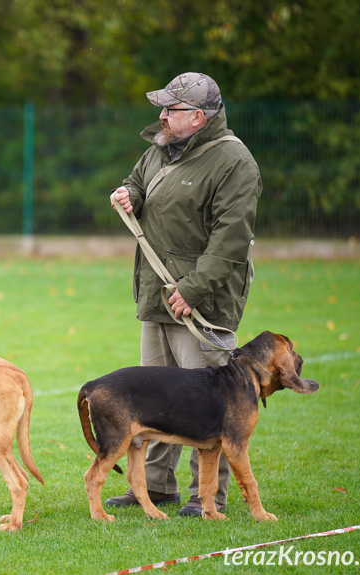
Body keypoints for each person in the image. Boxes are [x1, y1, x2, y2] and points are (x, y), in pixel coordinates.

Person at [107, 73, 262, 516]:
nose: (161, 116)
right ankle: (156, 486)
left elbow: (231, 241)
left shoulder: (235, 162)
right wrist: (129, 194)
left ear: (198, 116)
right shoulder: (159, 147)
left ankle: (205, 497)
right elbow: (137, 181)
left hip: (203, 302)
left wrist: (192, 290)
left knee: (210, 402)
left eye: (171, 110)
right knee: (155, 394)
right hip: (157, 295)